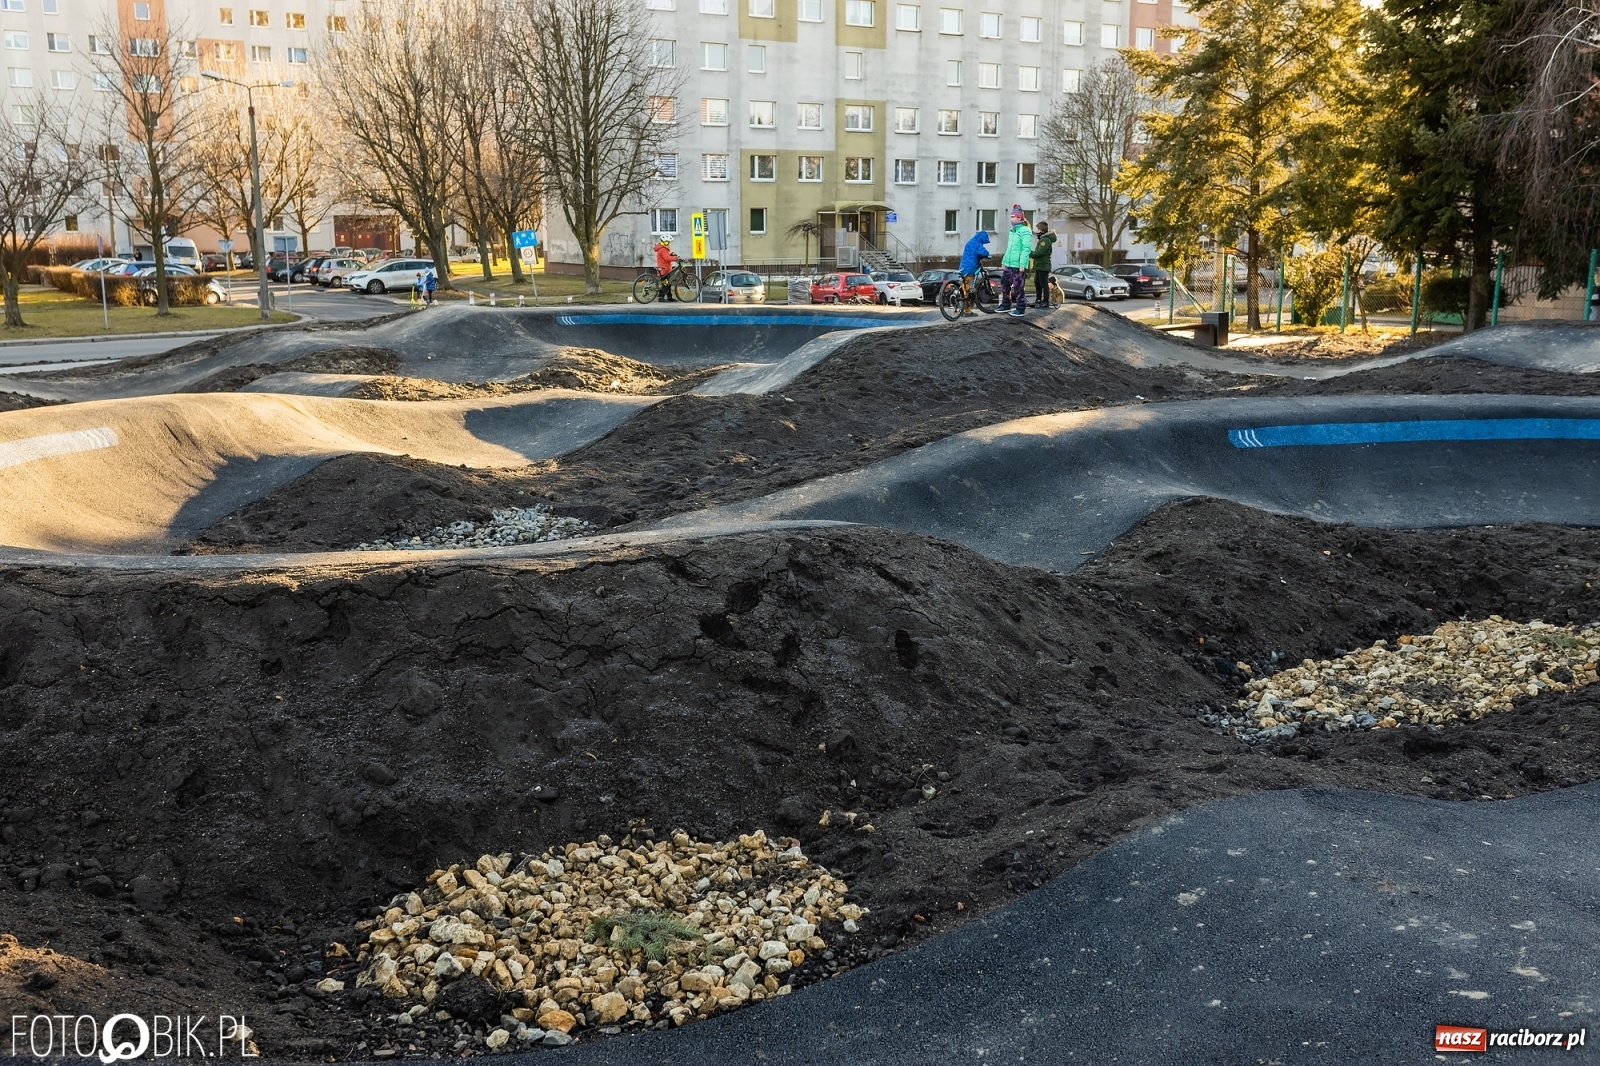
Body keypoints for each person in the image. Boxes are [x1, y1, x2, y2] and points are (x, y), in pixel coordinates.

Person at [998, 205, 1034, 317]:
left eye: (1014, 217)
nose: (1011, 219)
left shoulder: (1025, 231)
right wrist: (1004, 261)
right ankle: (1005, 304)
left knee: (1018, 287)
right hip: (1009, 263)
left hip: (1018, 265)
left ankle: (1020, 307)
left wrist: (1023, 264)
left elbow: (1026, 248)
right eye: (1011, 216)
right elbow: (1009, 248)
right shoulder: (1012, 231)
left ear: (1019, 218)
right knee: (1004, 284)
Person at [956, 229, 992, 314]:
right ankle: (966, 310)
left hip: (963, 267)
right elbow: (984, 252)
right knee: (968, 289)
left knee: (964, 287)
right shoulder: (976, 244)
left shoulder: (970, 242)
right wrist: (988, 255)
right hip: (971, 268)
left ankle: (963, 308)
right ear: (982, 238)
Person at [1030, 220, 1058, 309]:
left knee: (1043, 284)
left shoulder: (1045, 240)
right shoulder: (1043, 239)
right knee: (1037, 283)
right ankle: (1038, 299)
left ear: (1041, 230)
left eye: (1037, 229)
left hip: (1043, 265)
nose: (1036, 232)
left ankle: (1045, 301)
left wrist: (1029, 253)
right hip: (1039, 265)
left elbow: (1040, 253)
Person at [654, 236, 677, 302]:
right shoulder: (662, 249)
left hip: (666, 269)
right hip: (663, 270)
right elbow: (667, 258)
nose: (669, 244)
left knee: (668, 284)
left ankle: (669, 297)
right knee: (665, 284)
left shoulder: (663, 249)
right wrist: (675, 258)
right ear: (665, 242)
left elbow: (667, 256)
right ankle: (660, 297)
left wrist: (671, 254)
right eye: (668, 243)